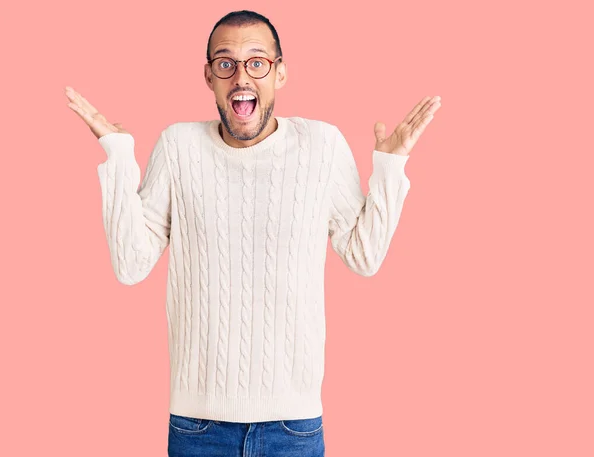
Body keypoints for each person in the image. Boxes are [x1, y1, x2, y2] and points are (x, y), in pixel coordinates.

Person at [65, 9, 441, 457]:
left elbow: (364, 256)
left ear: (280, 73)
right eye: (226, 63)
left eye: (257, 62)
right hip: (197, 426)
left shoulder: (321, 146)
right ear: (209, 76)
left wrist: (390, 168)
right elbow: (130, 265)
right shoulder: (178, 146)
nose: (242, 76)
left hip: (293, 425)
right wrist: (119, 154)